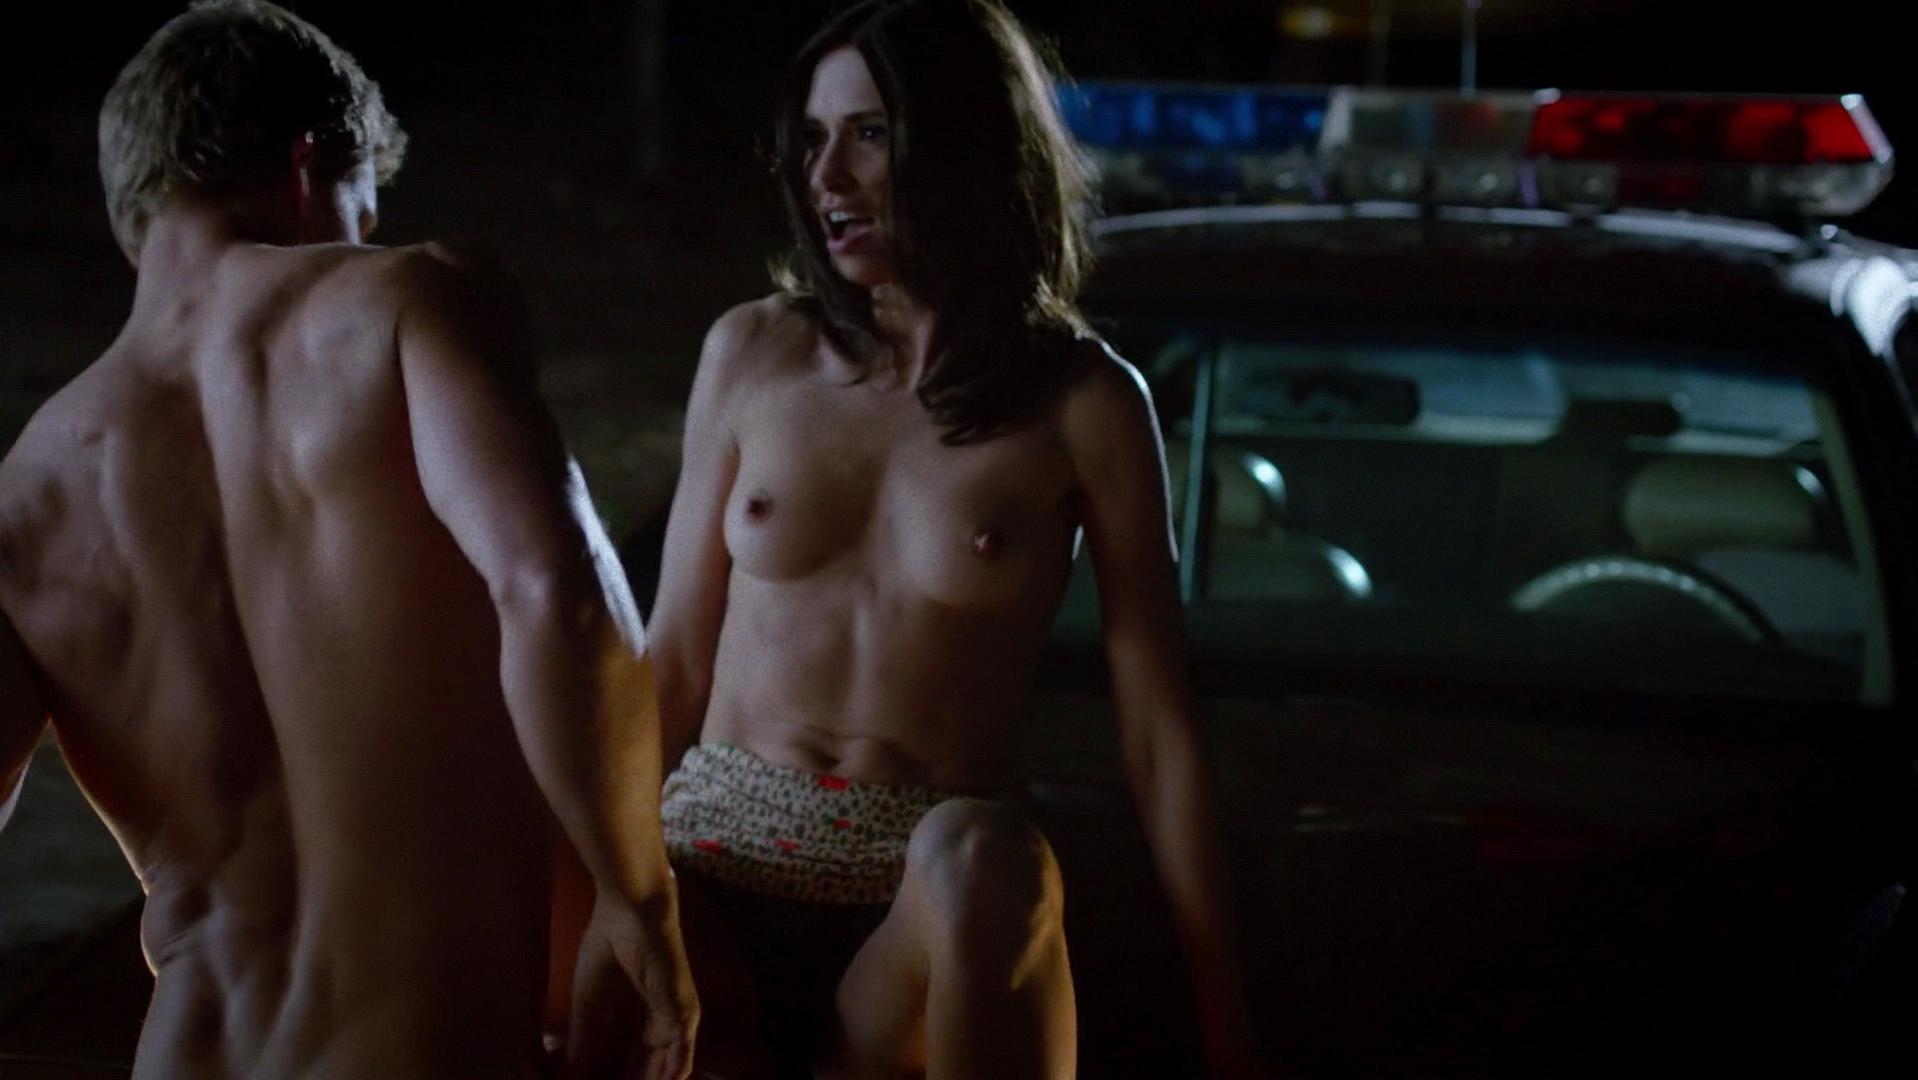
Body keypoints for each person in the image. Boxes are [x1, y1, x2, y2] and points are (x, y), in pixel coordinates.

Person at [0, 3, 696, 1076]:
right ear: (307, 164)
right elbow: (554, 594)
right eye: (362, 210)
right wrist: (637, 900)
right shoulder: (405, 302)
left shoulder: (27, 491)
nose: (362, 241)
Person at [647, 0, 1263, 1075]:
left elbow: (1158, 734)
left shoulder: (1084, 401)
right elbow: (671, 664)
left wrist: (1225, 1017)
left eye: (869, 134)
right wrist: (614, 904)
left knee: (982, 851)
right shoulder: (752, 352)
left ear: (965, 147)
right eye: (812, 139)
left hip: (912, 928)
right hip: (709, 887)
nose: (827, 176)